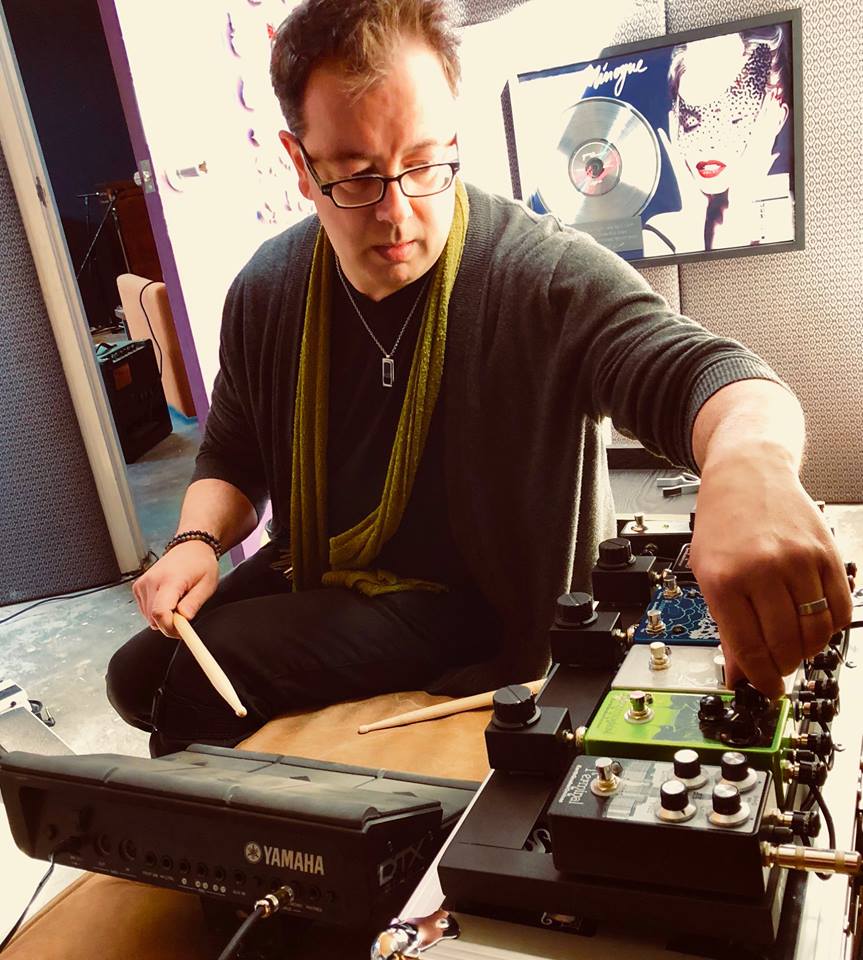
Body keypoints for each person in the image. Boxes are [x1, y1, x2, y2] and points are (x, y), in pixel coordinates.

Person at [106, 0, 851, 758]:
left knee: (206, 677)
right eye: (358, 177)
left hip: (483, 612)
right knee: (133, 678)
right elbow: (233, 453)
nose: (398, 213)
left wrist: (750, 467)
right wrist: (195, 540)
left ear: (452, 139)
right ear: (300, 163)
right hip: (329, 574)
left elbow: (705, 372)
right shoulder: (269, 287)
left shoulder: (540, 274)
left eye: (425, 163)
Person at [643, 26, 794, 256]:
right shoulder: (660, 234)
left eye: (734, 119)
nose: (709, 143)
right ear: (676, 122)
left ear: (775, 117)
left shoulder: (787, 225)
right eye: (692, 122)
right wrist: (692, 219)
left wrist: (740, 208)